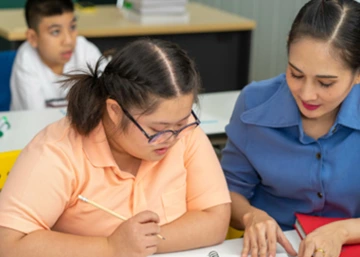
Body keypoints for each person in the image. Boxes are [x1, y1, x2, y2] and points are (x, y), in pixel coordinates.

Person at [0, 38, 231, 257]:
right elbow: (7, 244)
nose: (171, 138)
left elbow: (216, 220)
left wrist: (139, 243)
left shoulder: (184, 134)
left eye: (181, 123)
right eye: (157, 129)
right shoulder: (57, 152)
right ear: (114, 110)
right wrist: (110, 247)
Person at [221, 0, 360, 257]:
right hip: (274, 248)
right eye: (295, 74)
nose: (307, 94)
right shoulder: (254, 103)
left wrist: (341, 232)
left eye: (325, 83)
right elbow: (226, 192)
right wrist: (252, 216)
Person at [10, 0, 102, 111]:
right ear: (33, 38)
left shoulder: (85, 50)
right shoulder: (26, 60)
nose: (68, 41)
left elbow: (109, 95)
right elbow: (36, 118)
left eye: (72, 27)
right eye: (55, 32)